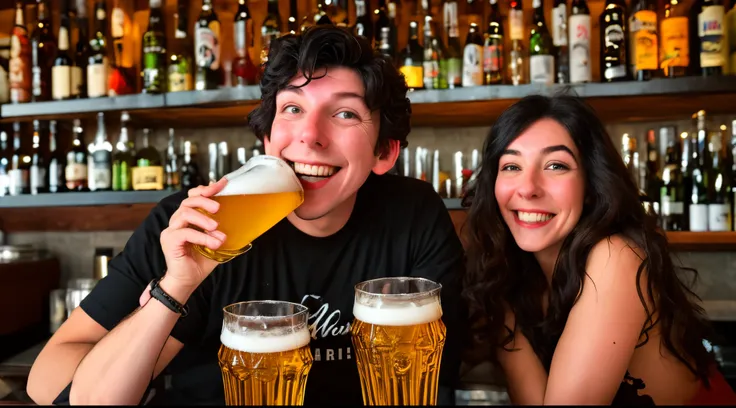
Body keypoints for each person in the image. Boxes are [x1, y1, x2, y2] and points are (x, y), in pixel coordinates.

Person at [27, 26, 466, 406]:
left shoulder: (414, 216)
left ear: (384, 152)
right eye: (292, 109)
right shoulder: (201, 222)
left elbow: (433, 377)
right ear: (268, 136)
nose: (310, 136)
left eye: (345, 113)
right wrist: (176, 286)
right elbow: (49, 381)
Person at [461, 94, 736, 405]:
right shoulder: (523, 277)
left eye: (556, 165)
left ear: (591, 186)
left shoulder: (615, 257)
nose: (528, 188)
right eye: (511, 165)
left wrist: (503, 326)